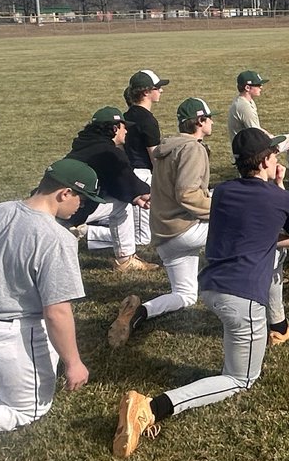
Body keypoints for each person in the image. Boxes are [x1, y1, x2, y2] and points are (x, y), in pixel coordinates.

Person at [112, 128, 289, 459]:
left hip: (211, 286)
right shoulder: (281, 197)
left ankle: (280, 328)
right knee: (240, 379)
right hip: (241, 298)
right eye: (275, 156)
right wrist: (282, 190)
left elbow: (260, 238)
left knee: (274, 259)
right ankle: (151, 408)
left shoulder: (223, 192)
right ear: (268, 160)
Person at [0, 158, 99, 451]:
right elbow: (57, 311)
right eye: (82, 199)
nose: (81, 208)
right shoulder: (56, 238)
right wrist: (74, 363)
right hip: (11, 338)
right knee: (30, 409)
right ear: (64, 193)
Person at [107, 97, 214, 348]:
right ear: (200, 121)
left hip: (164, 235)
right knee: (241, 218)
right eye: (209, 118)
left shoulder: (169, 146)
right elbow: (187, 194)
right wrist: (220, 210)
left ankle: (139, 313)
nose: (211, 122)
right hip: (184, 230)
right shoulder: (193, 148)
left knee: (185, 296)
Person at [66, 107, 155, 272]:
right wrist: (145, 194)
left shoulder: (83, 147)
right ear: (114, 128)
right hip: (68, 211)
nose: (126, 130)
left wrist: (135, 195)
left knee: (122, 202)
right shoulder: (110, 152)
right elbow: (130, 183)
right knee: (122, 206)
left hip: (51, 204)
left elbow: (117, 183)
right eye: (124, 126)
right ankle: (125, 259)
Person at [227, 69, 289, 191]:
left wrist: (269, 134)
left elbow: (256, 130)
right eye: (258, 85)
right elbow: (254, 133)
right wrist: (270, 141)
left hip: (246, 148)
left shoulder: (244, 101)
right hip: (252, 152)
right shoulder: (244, 107)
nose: (261, 87)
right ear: (248, 87)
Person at [123, 68, 169, 247]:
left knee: (133, 222)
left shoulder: (126, 115)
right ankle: (91, 232)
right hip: (142, 177)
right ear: (146, 92)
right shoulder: (148, 120)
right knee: (143, 238)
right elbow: (155, 157)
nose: (161, 91)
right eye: (157, 88)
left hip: (128, 173)